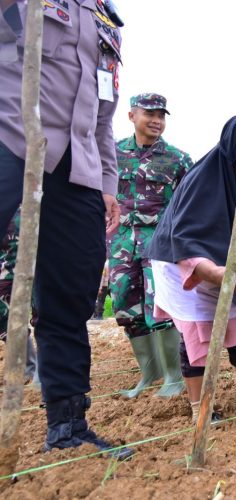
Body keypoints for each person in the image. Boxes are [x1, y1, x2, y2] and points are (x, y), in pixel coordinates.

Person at [0, 0, 132, 458]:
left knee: (71, 294)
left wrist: (107, 184)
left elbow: (103, 116)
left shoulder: (106, 19)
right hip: (9, 138)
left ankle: (68, 427)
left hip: (78, 167)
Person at [146, 115, 236, 423]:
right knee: (199, 333)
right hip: (183, 266)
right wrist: (214, 274)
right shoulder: (203, 180)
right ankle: (200, 410)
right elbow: (186, 241)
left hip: (223, 266)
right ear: (233, 154)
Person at [109, 93, 193, 398]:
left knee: (159, 306)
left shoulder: (177, 159)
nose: (157, 120)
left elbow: (191, 203)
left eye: (161, 115)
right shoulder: (112, 152)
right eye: (150, 114)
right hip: (121, 242)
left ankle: (174, 377)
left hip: (159, 242)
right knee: (123, 306)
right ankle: (150, 375)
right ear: (132, 116)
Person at [0, 208, 39, 388]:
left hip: (20, 248)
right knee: (5, 315)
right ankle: (28, 368)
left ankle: (34, 369)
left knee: (40, 309)